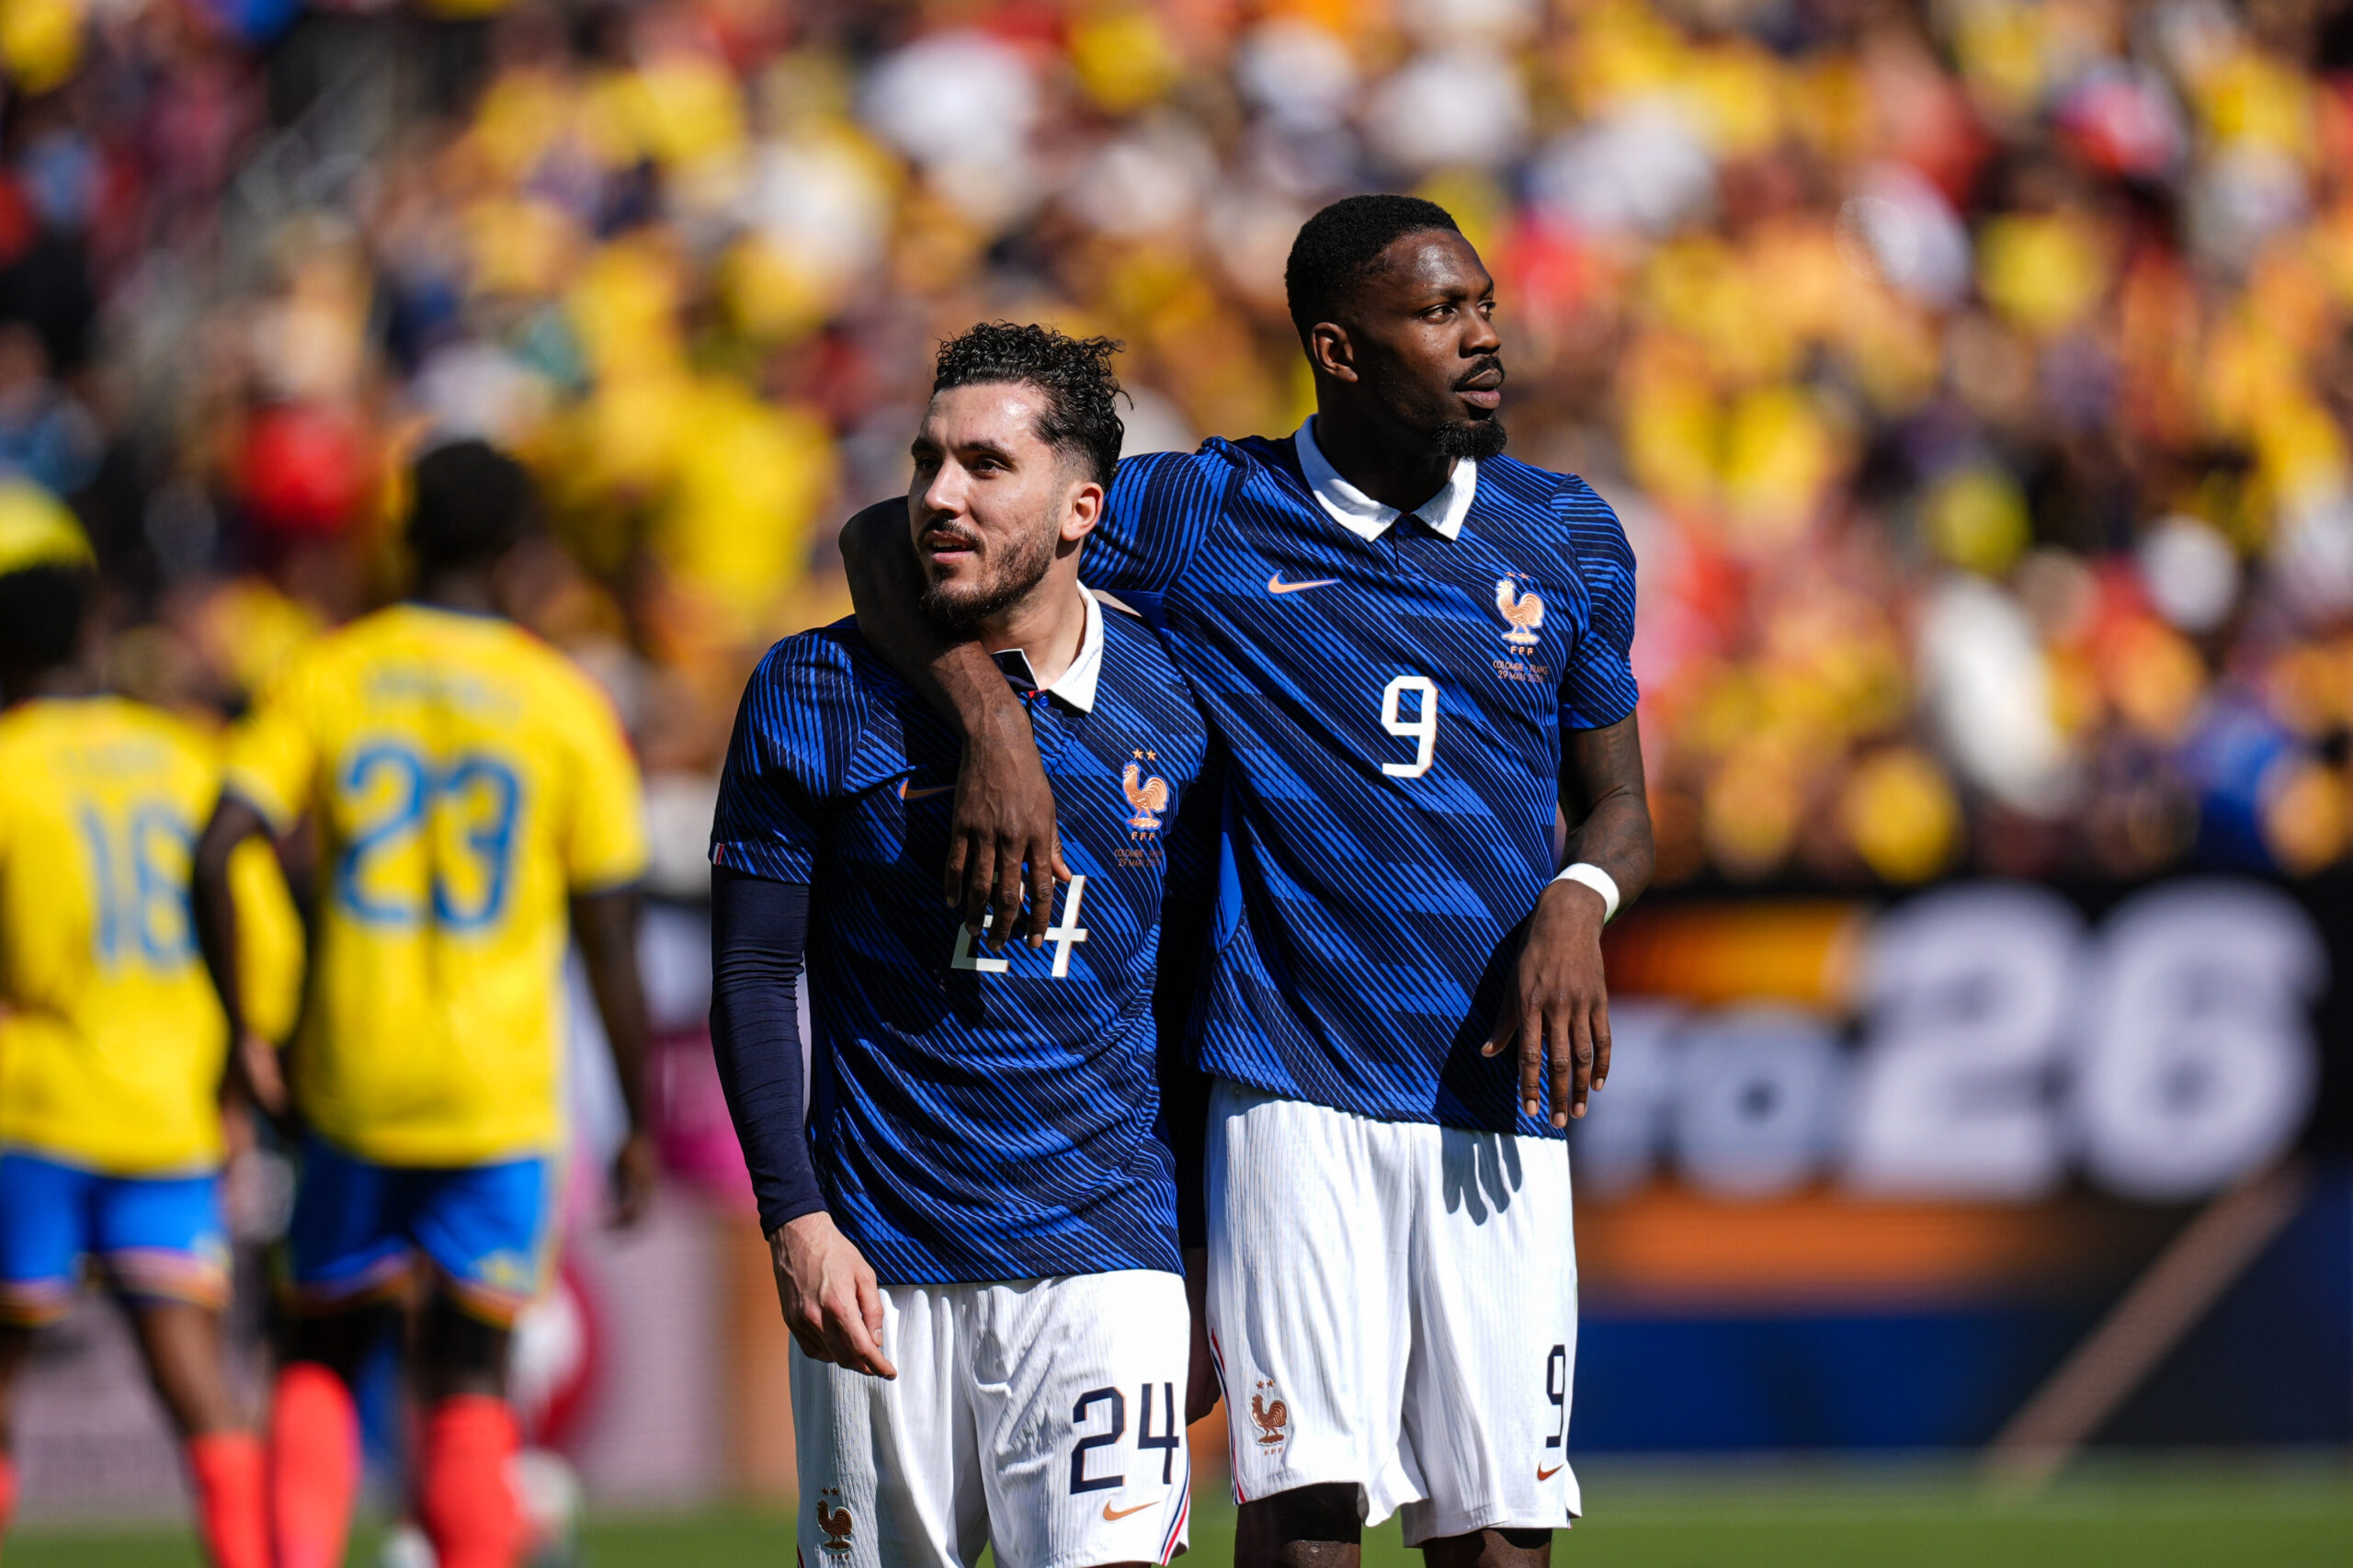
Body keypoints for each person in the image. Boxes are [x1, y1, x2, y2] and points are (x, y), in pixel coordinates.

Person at [841, 196, 1654, 1567]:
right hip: (1291, 1088)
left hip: (1497, 1094)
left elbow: (1622, 804)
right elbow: (881, 541)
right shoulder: (1209, 509)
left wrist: (1582, 895)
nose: (1483, 336)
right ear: (1339, 349)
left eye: (1483, 306)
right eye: (1440, 313)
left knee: (1505, 1533)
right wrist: (989, 722)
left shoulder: (1566, 534)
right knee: (1302, 1508)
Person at [710, 323, 1216, 1568]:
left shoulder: (1179, 700)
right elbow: (753, 972)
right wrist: (794, 1216)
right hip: (880, 1260)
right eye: (926, 458)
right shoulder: (810, 688)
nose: (940, 491)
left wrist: (1208, 1255)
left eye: (987, 466)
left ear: (1081, 505)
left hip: (1106, 1255)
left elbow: (1201, 993)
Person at [190, 438, 657, 1568]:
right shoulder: (561, 702)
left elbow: (218, 849)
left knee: (322, 1352)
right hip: (494, 1092)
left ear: (402, 538)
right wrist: (638, 1116)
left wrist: (247, 1026)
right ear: (518, 554)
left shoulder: (333, 671)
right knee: (470, 1374)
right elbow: (609, 935)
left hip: (354, 1071)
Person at [0, 488, 288, 1568]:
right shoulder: (186, 759)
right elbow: (257, 940)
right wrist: (232, 1080)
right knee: (195, 1369)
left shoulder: (11, 762)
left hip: (33, 1099)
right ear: (90, 637)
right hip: (167, 1104)